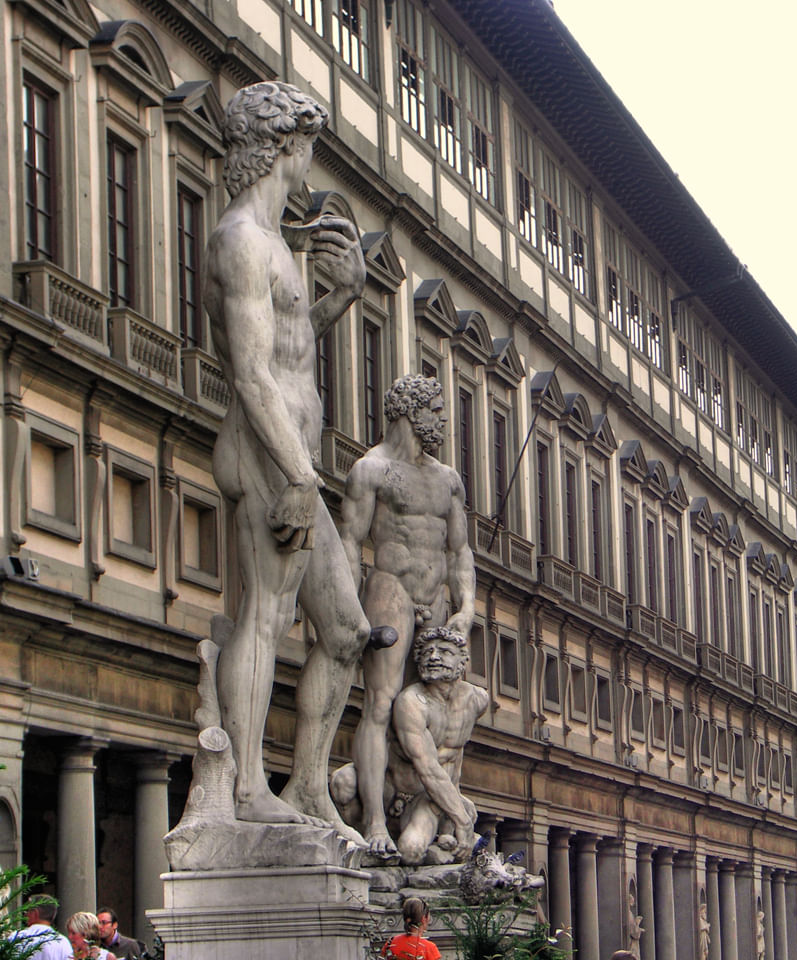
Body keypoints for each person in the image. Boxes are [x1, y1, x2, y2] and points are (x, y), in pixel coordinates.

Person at [205, 80, 376, 837]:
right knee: (266, 616)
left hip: (300, 462)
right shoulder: (241, 238)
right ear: (285, 146)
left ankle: (307, 785)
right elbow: (250, 373)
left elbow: (291, 351)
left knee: (345, 631)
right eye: (309, 144)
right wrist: (300, 478)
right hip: (271, 461)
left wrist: (340, 297)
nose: (313, 161)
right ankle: (246, 789)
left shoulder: (279, 245)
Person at [339, 373, 476, 858]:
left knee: (442, 710)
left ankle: (431, 814)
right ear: (408, 411)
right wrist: (351, 610)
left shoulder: (448, 480)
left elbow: (459, 551)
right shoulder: (370, 470)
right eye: (435, 409)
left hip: (436, 598)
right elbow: (350, 543)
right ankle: (376, 818)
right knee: (379, 705)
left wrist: (467, 607)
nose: (442, 419)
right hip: (389, 589)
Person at [331, 627, 488, 864]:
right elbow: (428, 767)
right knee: (343, 781)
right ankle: (367, 845)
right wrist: (463, 821)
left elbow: (453, 759)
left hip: (426, 797)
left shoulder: (477, 700)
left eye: (444, 651)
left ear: (463, 660)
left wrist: (454, 812)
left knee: (411, 850)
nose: (434, 657)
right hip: (390, 789)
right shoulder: (411, 702)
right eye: (427, 652)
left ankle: (432, 843)